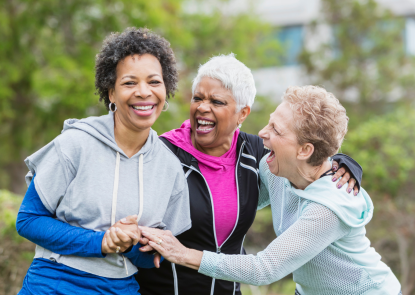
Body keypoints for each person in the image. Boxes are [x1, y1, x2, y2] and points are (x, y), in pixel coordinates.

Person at [113, 56, 362, 295]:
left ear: (243, 113)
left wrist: (343, 163)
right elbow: (121, 218)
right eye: (197, 98)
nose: (202, 107)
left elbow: (305, 159)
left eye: (217, 102)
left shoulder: (258, 154)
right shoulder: (160, 153)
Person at [139, 85, 401, 295]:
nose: (262, 133)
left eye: (276, 129)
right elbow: (238, 195)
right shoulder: (278, 169)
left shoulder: (329, 207)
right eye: (269, 122)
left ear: (305, 150)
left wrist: (183, 254)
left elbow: (265, 269)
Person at [16, 27, 191, 294]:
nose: (144, 92)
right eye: (130, 83)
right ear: (111, 93)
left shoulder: (169, 168)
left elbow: (152, 258)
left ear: (166, 89)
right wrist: (102, 242)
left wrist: (130, 243)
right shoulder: (74, 144)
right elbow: (28, 220)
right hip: (54, 283)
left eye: (154, 82)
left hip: (121, 288)